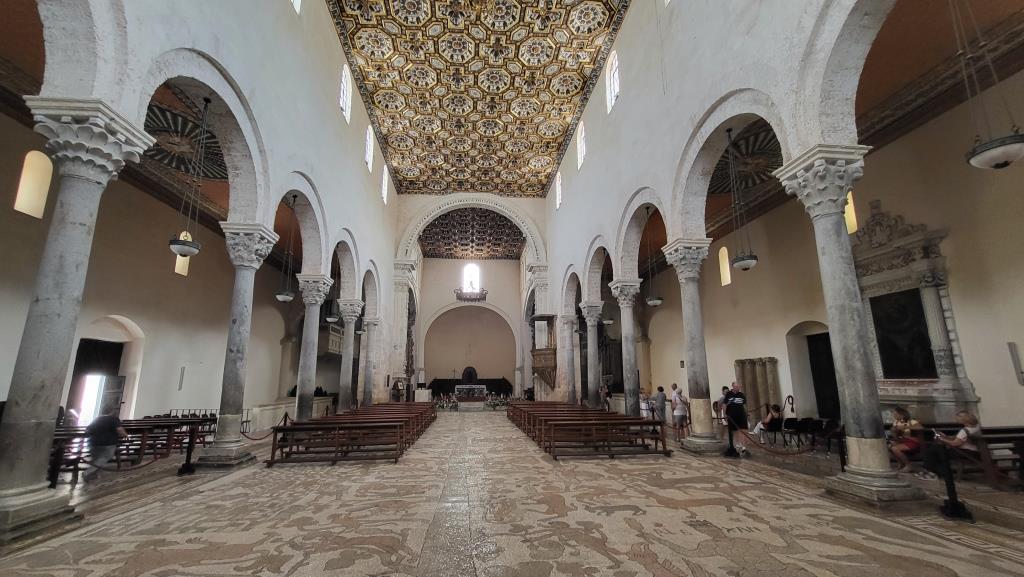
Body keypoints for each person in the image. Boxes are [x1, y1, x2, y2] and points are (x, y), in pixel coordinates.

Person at [917, 411, 982, 481]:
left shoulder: (965, 430)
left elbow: (955, 443)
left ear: (964, 419)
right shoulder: (976, 427)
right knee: (936, 449)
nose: (956, 420)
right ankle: (932, 471)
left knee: (933, 451)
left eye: (958, 418)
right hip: (975, 451)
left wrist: (942, 439)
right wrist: (946, 436)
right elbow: (958, 438)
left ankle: (932, 473)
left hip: (966, 453)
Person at [84, 407, 127, 481]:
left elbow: (88, 429)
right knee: (106, 457)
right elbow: (119, 429)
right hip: (107, 443)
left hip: (93, 442)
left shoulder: (97, 419)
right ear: (112, 411)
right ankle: (87, 473)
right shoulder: (113, 419)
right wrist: (125, 435)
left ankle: (95, 475)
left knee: (97, 459)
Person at [888, 406, 923, 473]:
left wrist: (904, 427)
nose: (894, 416)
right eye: (894, 414)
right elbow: (895, 436)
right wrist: (893, 432)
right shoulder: (896, 422)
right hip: (902, 441)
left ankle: (909, 465)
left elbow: (920, 427)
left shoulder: (911, 421)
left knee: (895, 448)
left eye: (896, 414)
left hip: (913, 442)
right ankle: (901, 464)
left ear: (902, 414)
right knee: (889, 446)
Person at [722, 382, 748, 456]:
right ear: (733, 387)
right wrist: (725, 414)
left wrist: (746, 413)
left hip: (741, 415)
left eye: (738, 387)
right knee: (734, 430)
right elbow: (724, 404)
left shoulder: (741, 395)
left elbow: (744, 405)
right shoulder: (728, 394)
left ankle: (744, 446)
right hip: (732, 416)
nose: (738, 388)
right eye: (736, 387)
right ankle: (736, 444)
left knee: (743, 429)